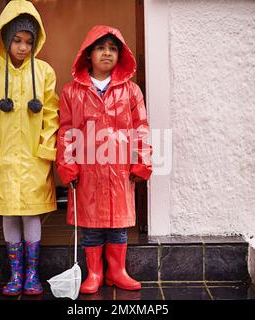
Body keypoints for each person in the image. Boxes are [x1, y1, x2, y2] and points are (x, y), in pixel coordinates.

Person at [0, 0, 59, 296]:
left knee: (32, 214)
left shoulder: (44, 72)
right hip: (3, 160)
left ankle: (32, 275)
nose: (23, 47)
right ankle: (15, 275)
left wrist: (46, 151)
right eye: (17, 40)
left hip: (34, 159)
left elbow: (51, 115)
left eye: (29, 42)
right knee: (9, 214)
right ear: (6, 39)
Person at [56, 25, 152, 294]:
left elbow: (140, 127)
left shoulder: (131, 91)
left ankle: (118, 272)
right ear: (88, 54)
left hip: (120, 167)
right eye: (101, 48)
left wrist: (141, 161)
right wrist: (67, 164)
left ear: (120, 55)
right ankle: (95, 273)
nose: (107, 53)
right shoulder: (71, 92)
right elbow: (65, 131)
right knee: (92, 226)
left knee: (118, 224)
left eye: (112, 48)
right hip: (87, 169)